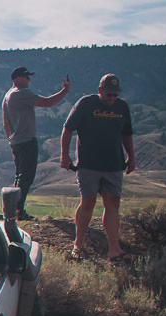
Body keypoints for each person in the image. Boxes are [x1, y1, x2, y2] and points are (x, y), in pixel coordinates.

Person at [61, 74, 136, 261]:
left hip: (113, 164)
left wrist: (131, 156)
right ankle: (78, 245)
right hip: (88, 164)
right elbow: (68, 128)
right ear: (100, 90)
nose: (112, 98)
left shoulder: (122, 107)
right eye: (109, 94)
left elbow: (127, 134)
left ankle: (114, 249)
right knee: (88, 202)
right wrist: (64, 155)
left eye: (115, 95)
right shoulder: (86, 104)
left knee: (113, 205)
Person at [2, 66, 70, 221]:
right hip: (26, 140)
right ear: (18, 78)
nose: (29, 80)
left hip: (16, 141)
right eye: (27, 77)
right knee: (26, 177)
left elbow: (5, 123)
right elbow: (48, 103)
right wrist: (65, 91)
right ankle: (18, 211)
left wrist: (11, 140)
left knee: (20, 176)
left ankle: (14, 210)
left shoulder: (7, 96)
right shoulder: (21, 93)